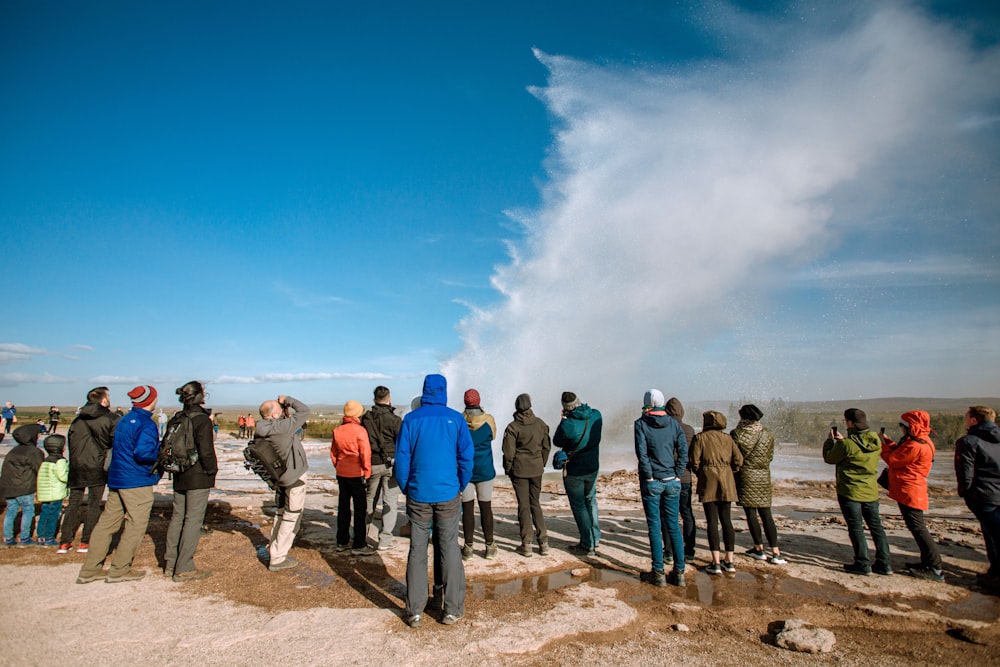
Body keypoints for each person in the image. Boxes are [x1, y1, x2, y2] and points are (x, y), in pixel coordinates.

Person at [394, 373, 473, 628]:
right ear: (444, 391)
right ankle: (451, 609)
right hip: (448, 493)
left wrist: (408, 487)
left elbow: (402, 460)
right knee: (449, 546)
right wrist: (459, 485)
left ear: (425, 391)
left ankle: (415, 611)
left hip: (418, 493)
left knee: (417, 549)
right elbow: (466, 458)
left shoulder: (410, 420)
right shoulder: (456, 419)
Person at [76, 385, 163, 583]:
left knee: (107, 523)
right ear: (152, 400)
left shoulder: (123, 420)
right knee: (135, 525)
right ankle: (120, 569)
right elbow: (143, 453)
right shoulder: (145, 423)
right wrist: (160, 455)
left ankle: (90, 569)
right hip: (136, 481)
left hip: (117, 478)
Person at [823, 408, 892, 576]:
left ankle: (863, 563)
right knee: (876, 527)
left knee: (856, 527)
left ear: (850, 423)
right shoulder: (875, 439)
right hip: (870, 491)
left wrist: (830, 442)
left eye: (847, 421)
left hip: (850, 491)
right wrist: (845, 441)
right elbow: (860, 448)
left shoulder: (846, 444)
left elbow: (830, 458)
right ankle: (885, 564)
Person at [163, 381, 218, 582]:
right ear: (200, 396)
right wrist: (212, 471)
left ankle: (170, 563)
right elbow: (206, 450)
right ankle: (184, 567)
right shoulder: (202, 419)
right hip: (197, 474)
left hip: (179, 472)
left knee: (178, 516)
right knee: (193, 520)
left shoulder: (177, 418)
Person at [879, 410, 942, 581]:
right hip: (911, 488)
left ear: (909, 427)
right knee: (917, 527)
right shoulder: (922, 441)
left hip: (910, 490)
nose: (900, 429)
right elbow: (901, 454)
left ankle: (935, 568)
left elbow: (893, 460)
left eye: (902, 426)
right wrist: (889, 442)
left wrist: (882, 446)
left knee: (919, 528)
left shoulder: (915, 445)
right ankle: (928, 563)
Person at [634, 389, 688, 587]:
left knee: (655, 527)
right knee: (673, 525)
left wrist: (648, 475)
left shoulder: (640, 424)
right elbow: (683, 450)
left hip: (652, 482)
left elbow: (642, 453)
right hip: (672, 481)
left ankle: (658, 573)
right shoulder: (673, 423)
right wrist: (677, 473)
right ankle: (679, 573)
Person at [59, 386, 120, 554]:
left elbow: (71, 441)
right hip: (97, 465)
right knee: (94, 504)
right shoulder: (110, 418)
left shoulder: (77, 420)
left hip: (77, 465)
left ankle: (65, 542)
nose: (109, 399)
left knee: (74, 503)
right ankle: (86, 542)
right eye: (107, 396)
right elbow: (115, 442)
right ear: (103, 400)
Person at [256, 395, 311, 572]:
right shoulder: (280, 428)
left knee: (281, 513)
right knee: (291, 515)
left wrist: (283, 409)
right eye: (278, 409)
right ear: (273, 415)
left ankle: (274, 547)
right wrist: (288, 399)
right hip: (294, 476)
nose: (281, 409)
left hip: (282, 477)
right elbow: (305, 411)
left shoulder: (264, 427)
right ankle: (278, 557)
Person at [731, 404, 786, 564]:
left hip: (746, 476)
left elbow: (735, 458)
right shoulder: (767, 434)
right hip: (763, 476)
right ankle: (776, 552)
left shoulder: (737, 434)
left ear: (743, 417)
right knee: (766, 514)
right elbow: (769, 457)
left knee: (751, 513)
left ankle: (759, 548)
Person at [691, 410, 743, 575]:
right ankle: (730, 560)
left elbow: (694, 461)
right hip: (727, 481)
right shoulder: (728, 438)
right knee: (727, 520)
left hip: (709, 481)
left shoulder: (700, 438)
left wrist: (703, 473)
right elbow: (739, 460)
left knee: (712, 521)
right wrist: (728, 472)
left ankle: (715, 562)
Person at [954, 405, 1000, 590]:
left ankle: (996, 578)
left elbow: (965, 473)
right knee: (992, 535)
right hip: (995, 493)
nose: (965, 421)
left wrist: (966, 493)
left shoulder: (969, 441)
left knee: (994, 536)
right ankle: (995, 572)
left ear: (974, 420)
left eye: (967, 417)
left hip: (983, 495)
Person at [553, 391, 602, 557]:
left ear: (565, 407)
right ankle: (595, 537)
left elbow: (557, 441)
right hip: (593, 467)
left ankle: (587, 544)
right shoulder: (596, 415)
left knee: (579, 505)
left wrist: (563, 420)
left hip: (575, 470)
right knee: (591, 500)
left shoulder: (568, 424)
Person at [502, 393, 551, 557]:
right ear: (530, 405)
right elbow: (546, 447)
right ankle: (543, 542)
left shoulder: (513, 427)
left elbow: (508, 453)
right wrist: (541, 463)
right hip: (536, 469)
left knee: (523, 505)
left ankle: (527, 544)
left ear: (516, 407)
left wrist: (508, 469)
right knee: (535, 503)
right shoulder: (540, 424)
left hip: (520, 471)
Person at [360, 385, 402, 551]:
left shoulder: (366, 419)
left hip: (373, 463)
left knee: (370, 499)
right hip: (391, 464)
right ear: (389, 398)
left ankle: (362, 535)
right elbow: (402, 443)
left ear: (374, 399)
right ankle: (385, 540)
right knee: (389, 500)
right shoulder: (395, 420)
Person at [460, 388, 498, 560]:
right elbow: (493, 436)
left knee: (467, 508)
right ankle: (489, 546)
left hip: (466, 471)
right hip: (485, 469)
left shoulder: (459, 420)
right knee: (485, 507)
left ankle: (468, 548)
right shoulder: (489, 420)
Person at [331, 400, 372, 555]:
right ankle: (359, 544)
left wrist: (338, 465)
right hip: (357, 473)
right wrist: (367, 471)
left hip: (342, 473)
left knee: (343, 507)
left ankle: (341, 541)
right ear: (357, 413)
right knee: (360, 509)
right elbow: (365, 453)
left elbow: (333, 453)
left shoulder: (338, 430)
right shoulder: (360, 431)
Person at [1, 424, 45, 547]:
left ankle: (7, 538)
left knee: (11, 511)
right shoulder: (33, 451)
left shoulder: (13, 451)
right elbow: (40, 469)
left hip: (8, 487)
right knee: (28, 510)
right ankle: (25, 538)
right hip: (24, 486)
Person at [665, 397, 697, 561]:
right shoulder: (689, 429)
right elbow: (692, 455)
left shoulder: (664, 428)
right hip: (685, 477)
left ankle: (669, 551)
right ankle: (689, 550)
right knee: (687, 513)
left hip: (667, 477)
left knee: (667, 514)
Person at [35, 433, 69, 546]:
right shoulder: (60, 461)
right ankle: (50, 537)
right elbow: (63, 477)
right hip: (55, 493)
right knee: (53, 515)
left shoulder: (46, 461)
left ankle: (41, 536)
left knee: (44, 514)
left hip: (45, 493)